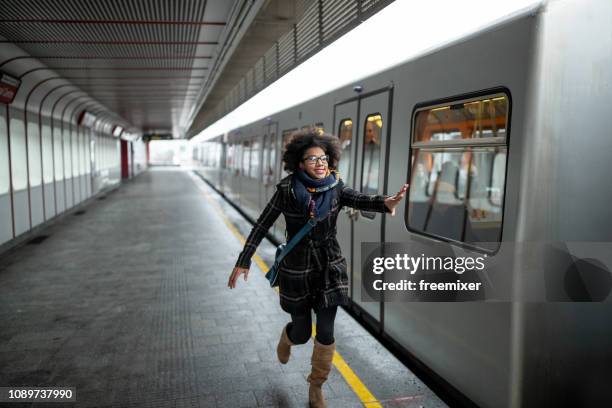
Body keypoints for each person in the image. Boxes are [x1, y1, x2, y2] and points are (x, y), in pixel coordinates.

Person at [228, 128, 408, 408]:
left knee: (326, 331)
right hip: (297, 269)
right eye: (313, 159)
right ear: (299, 163)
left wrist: (385, 202)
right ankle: (287, 338)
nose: (320, 163)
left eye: (324, 158)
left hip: (329, 266)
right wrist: (244, 260)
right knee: (303, 333)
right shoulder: (286, 190)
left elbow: (358, 199)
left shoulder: (336, 187)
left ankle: (316, 388)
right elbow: (262, 225)